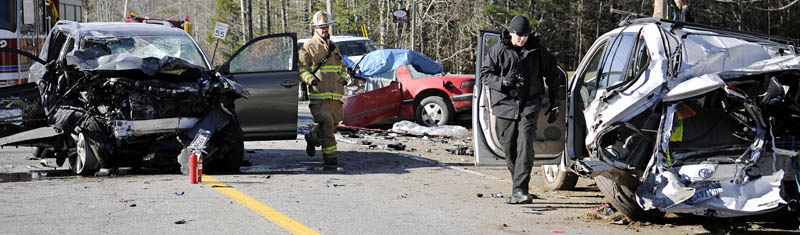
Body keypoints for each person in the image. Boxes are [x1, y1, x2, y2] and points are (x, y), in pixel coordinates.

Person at [480, 15, 566, 204]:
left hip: (529, 104)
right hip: (504, 105)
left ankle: (520, 189)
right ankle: (518, 185)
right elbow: (485, 75)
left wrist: (555, 102)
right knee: (509, 148)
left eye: (526, 35)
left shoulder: (537, 51)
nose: (522, 39)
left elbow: (554, 77)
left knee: (525, 144)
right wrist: (502, 82)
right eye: (519, 35)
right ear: (511, 33)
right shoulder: (497, 50)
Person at [299, 11, 349, 167]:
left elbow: (341, 66)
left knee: (333, 124)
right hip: (319, 95)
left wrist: (343, 77)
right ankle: (331, 160)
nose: (324, 29)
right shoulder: (308, 47)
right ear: (315, 28)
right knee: (327, 126)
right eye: (321, 27)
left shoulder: (334, 47)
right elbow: (301, 69)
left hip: (335, 96)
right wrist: (310, 79)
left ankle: (312, 137)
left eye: (326, 26)